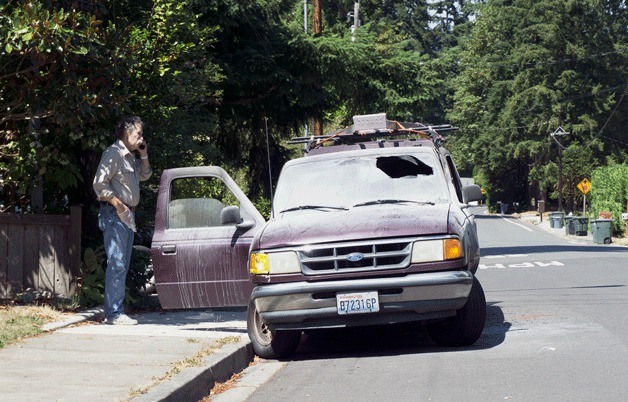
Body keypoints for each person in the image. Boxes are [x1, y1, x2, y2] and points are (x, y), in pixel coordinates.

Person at [93, 116, 152, 325]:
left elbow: (145, 175)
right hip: (115, 213)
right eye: (138, 134)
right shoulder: (113, 153)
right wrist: (119, 206)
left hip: (126, 215)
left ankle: (115, 312)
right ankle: (114, 314)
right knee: (116, 263)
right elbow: (99, 184)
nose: (141, 137)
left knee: (122, 264)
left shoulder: (130, 157)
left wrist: (143, 154)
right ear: (126, 133)